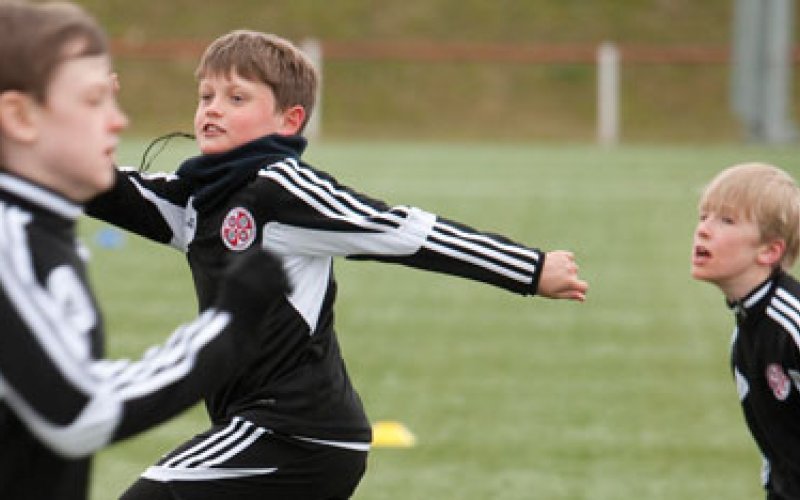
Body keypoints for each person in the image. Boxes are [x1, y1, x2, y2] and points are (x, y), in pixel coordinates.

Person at [87, 30, 589, 499]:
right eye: (206, 96)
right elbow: (100, 187)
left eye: (236, 98)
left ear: (289, 121)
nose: (213, 109)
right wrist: (74, 119)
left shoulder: (280, 187)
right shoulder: (199, 199)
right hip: (270, 433)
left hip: (296, 434)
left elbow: (401, 230)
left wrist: (529, 267)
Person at [0, 4, 289, 500]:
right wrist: (227, 326)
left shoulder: (36, 227)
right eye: (94, 101)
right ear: (20, 117)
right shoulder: (10, 241)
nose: (119, 121)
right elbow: (78, 411)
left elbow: (59, 382)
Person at [691, 162, 800, 499]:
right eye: (703, 216)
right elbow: (776, 448)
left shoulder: (791, 323)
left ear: (769, 251)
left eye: (726, 220)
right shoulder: (747, 334)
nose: (704, 230)